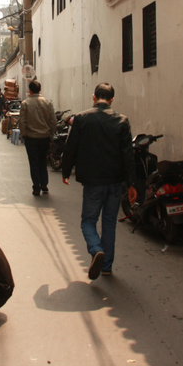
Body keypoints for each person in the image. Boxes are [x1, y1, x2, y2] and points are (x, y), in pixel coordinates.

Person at [62, 82, 136, 279]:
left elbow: (71, 147)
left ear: (93, 97)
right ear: (111, 100)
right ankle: (106, 266)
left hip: (93, 181)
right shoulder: (122, 121)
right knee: (110, 223)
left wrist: (66, 171)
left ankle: (96, 249)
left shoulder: (82, 119)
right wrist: (130, 184)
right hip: (114, 181)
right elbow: (127, 154)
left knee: (88, 221)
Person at [18, 80, 56, 196]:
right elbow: (53, 120)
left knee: (33, 162)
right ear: (40, 90)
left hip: (31, 138)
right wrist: (51, 134)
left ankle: (36, 187)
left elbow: (22, 121)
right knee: (43, 161)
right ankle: (44, 184)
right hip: (44, 137)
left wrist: (24, 134)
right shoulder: (47, 102)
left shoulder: (25, 103)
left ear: (30, 90)